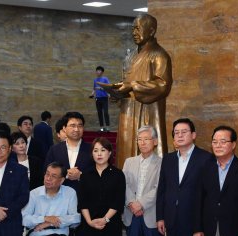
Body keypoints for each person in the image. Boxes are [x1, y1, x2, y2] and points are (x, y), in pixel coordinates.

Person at [104, 14, 172, 166]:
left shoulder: (159, 55)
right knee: (126, 150)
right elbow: (125, 82)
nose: (134, 32)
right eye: (132, 29)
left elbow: (163, 85)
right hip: (127, 111)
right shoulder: (130, 56)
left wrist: (134, 86)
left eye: (138, 28)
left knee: (147, 155)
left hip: (147, 111)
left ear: (152, 31)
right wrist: (117, 93)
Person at [122, 126, 164, 236]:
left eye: (147, 139)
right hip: (132, 214)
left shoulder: (163, 163)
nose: (143, 142)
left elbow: (159, 188)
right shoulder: (129, 162)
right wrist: (132, 203)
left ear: (154, 141)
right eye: (140, 139)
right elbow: (124, 185)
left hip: (152, 214)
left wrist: (141, 204)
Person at [45, 112, 93, 192]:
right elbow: (46, 171)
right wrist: (65, 173)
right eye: (72, 125)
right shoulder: (54, 149)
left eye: (80, 126)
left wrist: (81, 176)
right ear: (64, 128)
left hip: (85, 196)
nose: (76, 129)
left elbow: (98, 173)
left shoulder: (92, 149)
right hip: (60, 196)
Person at [91, 66, 110, 131]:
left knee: (105, 112)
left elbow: (108, 87)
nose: (98, 72)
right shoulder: (95, 80)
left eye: (99, 70)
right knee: (99, 113)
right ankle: (101, 128)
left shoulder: (105, 79)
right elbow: (94, 89)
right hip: (97, 98)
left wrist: (100, 88)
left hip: (104, 98)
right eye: (97, 70)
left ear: (102, 72)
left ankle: (107, 127)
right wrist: (92, 94)